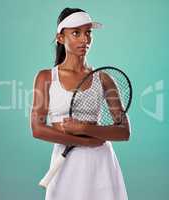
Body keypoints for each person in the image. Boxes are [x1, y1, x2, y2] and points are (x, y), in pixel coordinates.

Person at [30, 7, 131, 200]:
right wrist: (85, 140)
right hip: (67, 163)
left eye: (88, 33)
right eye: (76, 33)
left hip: (101, 163)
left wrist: (83, 127)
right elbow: (37, 129)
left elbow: (124, 131)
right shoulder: (46, 78)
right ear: (61, 38)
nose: (85, 39)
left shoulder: (104, 79)